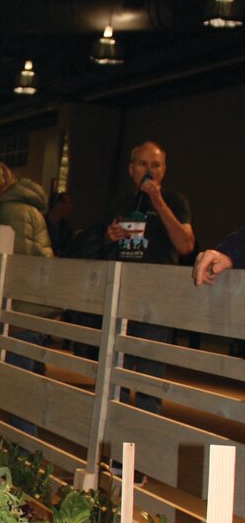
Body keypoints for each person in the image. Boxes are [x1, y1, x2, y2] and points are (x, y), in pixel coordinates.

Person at [104, 141, 194, 413]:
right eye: (143, 164)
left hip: (156, 302)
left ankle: (142, 445)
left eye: (156, 165)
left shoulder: (176, 202)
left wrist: (157, 201)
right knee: (114, 375)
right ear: (132, 169)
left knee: (148, 378)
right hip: (122, 297)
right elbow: (104, 246)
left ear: (164, 171)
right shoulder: (120, 202)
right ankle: (115, 450)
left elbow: (186, 245)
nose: (149, 170)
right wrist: (109, 237)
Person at [0, 159, 52, 433]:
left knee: (18, 388)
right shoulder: (8, 206)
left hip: (22, 312)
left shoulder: (10, 209)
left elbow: (13, 258)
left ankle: (24, 453)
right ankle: (22, 450)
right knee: (21, 385)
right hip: (28, 308)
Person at [44, 190, 74, 256]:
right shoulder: (42, 223)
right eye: (68, 204)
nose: (70, 207)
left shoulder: (66, 228)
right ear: (58, 204)